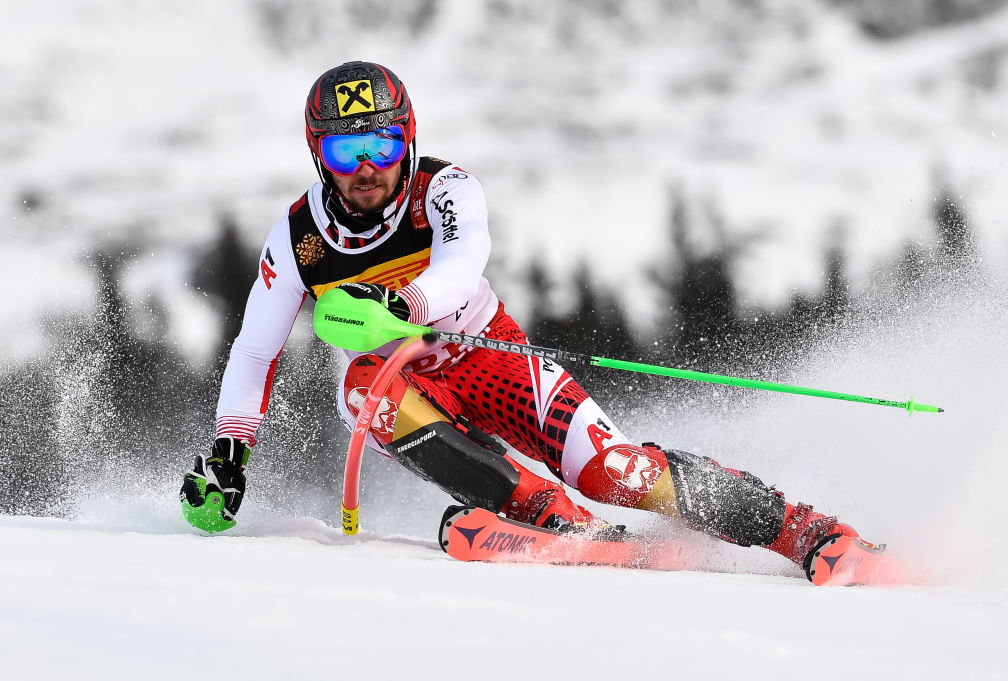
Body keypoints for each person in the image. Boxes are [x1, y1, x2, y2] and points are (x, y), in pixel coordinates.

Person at [180, 61, 868, 580]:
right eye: (345, 153)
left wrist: (409, 304)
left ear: (408, 140)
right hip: (403, 379)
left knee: (617, 471)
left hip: (487, 354)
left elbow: (465, 255)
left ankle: (803, 531)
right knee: (363, 388)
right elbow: (254, 349)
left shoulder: (442, 189)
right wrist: (231, 452)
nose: (368, 170)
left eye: (382, 146)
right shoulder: (299, 238)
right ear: (317, 156)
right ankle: (552, 518)